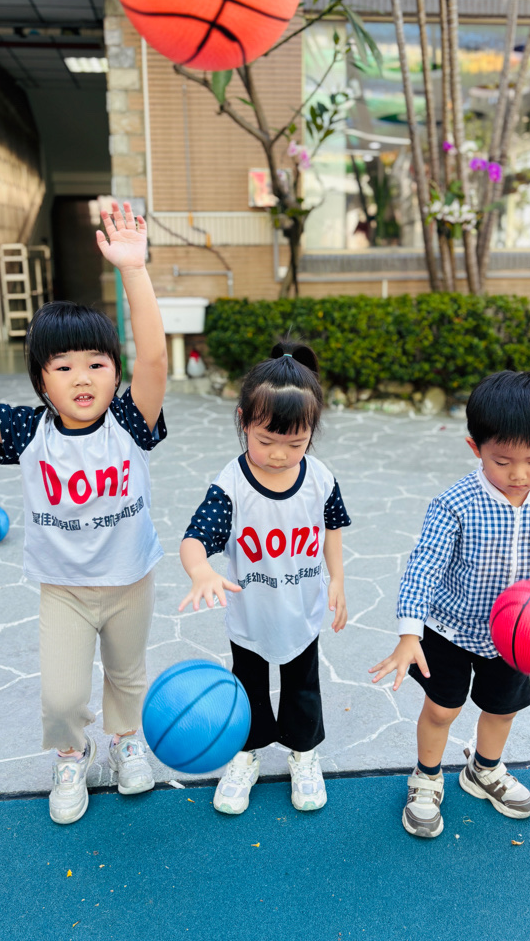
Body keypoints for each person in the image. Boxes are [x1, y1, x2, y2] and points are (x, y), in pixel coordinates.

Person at [0, 201, 168, 825]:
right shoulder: (29, 431)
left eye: (97, 364)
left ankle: (126, 742)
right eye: (64, 367)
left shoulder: (131, 420)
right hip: (64, 589)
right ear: (42, 381)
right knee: (63, 694)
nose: (83, 378)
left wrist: (134, 270)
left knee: (128, 677)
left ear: (115, 372)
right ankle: (72, 755)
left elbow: (155, 360)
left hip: (131, 578)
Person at [369, 370, 530, 839]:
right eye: (502, 461)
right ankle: (426, 777)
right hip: (450, 629)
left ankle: (484, 770)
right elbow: (423, 567)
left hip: (519, 637)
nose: (519, 474)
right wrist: (409, 633)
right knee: (442, 710)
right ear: (475, 448)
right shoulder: (455, 504)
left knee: (502, 709)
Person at [179, 342, 351, 815]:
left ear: (312, 431)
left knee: (303, 689)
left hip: (302, 612)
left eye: (295, 444)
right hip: (250, 617)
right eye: (266, 440)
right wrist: (200, 570)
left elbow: (333, 525)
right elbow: (194, 538)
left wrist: (337, 579)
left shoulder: (320, 478)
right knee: (249, 689)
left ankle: (303, 755)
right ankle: (245, 755)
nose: (279, 454)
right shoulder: (231, 485)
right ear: (243, 422)